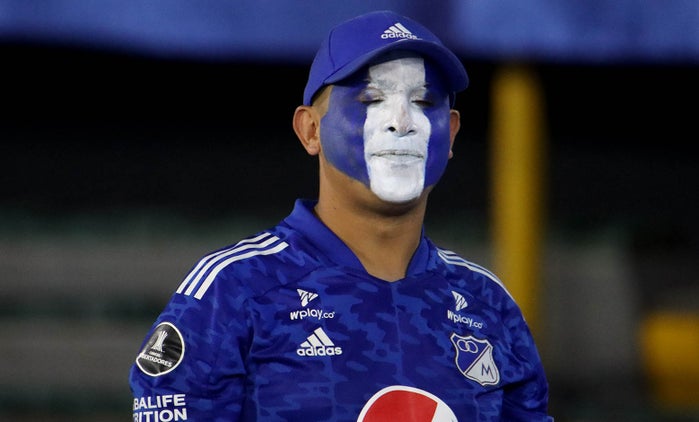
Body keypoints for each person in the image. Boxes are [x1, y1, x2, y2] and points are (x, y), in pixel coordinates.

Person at [129, 9, 553, 421]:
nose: (402, 122)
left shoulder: (488, 304)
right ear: (310, 130)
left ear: (452, 132)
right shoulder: (232, 290)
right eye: (371, 99)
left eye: (424, 100)